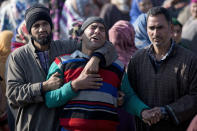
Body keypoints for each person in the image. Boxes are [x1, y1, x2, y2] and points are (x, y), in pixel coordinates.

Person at [6, 4, 117, 131]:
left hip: (59, 124)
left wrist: (96, 58)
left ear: (51, 26)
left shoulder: (65, 46)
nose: (42, 29)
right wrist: (44, 86)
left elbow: (107, 46)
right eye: (36, 26)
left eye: (45, 24)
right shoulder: (18, 57)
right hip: (32, 125)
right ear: (29, 30)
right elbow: (13, 94)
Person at [44, 16, 153, 131]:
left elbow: (129, 97)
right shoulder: (62, 62)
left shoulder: (117, 67)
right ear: (82, 34)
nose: (97, 31)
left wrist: (143, 111)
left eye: (102, 29)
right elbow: (49, 100)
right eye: (93, 27)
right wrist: (74, 85)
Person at [127, 6, 197, 131]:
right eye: (151, 28)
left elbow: (194, 96)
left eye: (160, 27)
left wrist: (165, 111)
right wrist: (142, 111)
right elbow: (130, 93)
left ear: (171, 29)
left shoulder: (190, 60)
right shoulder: (137, 59)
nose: (155, 33)